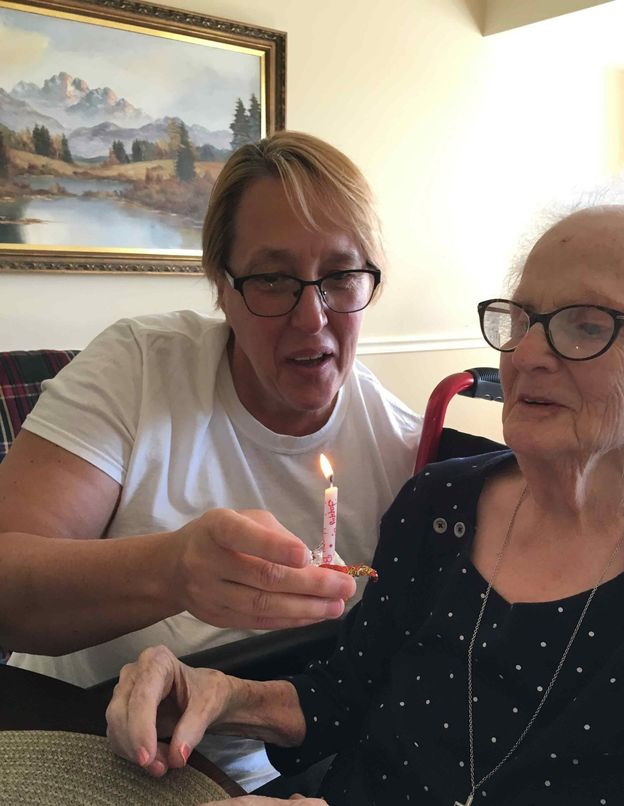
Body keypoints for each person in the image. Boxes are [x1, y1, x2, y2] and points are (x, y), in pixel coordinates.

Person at [106, 158, 624, 806]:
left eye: (588, 324)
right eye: (524, 318)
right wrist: (218, 692)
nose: (527, 355)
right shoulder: (440, 504)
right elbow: (343, 695)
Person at [0, 131, 421, 789]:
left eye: (340, 276)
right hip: (69, 739)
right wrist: (173, 570)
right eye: (273, 279)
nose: (312, 318)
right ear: (222, 287)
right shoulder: (139, 367)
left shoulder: (405, 452)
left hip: (262, 777)